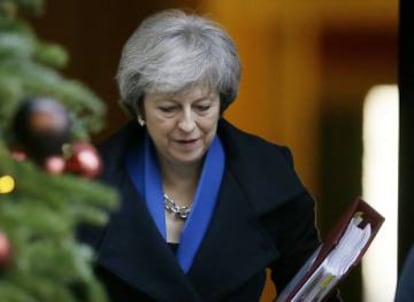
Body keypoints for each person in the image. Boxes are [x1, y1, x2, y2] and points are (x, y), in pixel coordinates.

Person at [78, 9, 340, 302]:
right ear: (140, 109)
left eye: (202, 107)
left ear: (221, 102)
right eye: (168, 108)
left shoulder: (269, 177)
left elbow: (314, 292)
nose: (188, 125)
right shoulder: (86, 184)